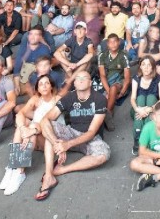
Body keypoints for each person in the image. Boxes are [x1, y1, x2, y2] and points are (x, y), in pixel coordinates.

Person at [36, 69, 111, 201]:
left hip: (90, 138)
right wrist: (57, 144)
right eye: (78, 78)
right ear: (74, 83)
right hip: (72, 132)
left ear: (90, 82)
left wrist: (67, 145)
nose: (81, 80)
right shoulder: (69, 97)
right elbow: (46, 119)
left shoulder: (99, 99)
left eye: (84, 78)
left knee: (103, 154)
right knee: (48, 127)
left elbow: (92, 132)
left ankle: (62, 170)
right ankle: (49, 176)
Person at [0, 73, 62, 196]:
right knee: (21, 127)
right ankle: (13, 167)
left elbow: (46, 122)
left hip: (50, 139)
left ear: (51, 86)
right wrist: (23, 128)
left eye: (47, 83)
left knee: (31, 128)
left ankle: (20, 172)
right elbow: (19, 114)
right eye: (40, 84)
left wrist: (30, 130)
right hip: (35, 136)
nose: (44, 86)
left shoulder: (57, 99)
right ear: (37, 88)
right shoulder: (35, 99)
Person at [130, 56, 160, 155]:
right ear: (140, 66)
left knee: (151, 97)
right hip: (137, 108)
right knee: (140, 98)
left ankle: (144, 135)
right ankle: (137, 138)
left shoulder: (159, 79)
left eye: (149, 65)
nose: (146, 68)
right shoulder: (136, 78)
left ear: (153, 67)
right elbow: (132, 98)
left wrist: (150, 109)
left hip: (152, 107)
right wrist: (139, 109)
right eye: (143, 65)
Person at [96, 33, 130, 131]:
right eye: (110, 42)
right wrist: (109, 91)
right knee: (103, 98)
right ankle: (105, 117)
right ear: (107, 44)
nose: (113, 44)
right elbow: (102, 75)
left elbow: (127, 78)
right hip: (107, 81)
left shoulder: (123, 56)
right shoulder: (102, 55)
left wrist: (122, 92)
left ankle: (108, 115)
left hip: (120, 81)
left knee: (114, 88)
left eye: (115, 41)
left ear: (119, 42)